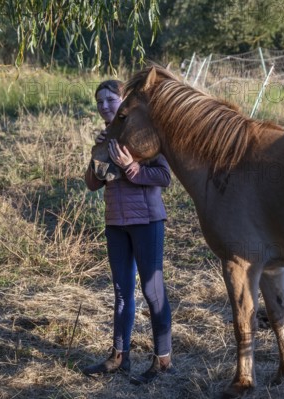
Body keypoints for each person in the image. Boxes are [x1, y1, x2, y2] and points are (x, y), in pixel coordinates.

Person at [82, 80, 175, 384]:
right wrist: (97, 155)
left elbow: (164, 176)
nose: (105, 106)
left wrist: (130, 165)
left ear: (123, 101)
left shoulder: (142, 133)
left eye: (111, 100)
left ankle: (162, 361)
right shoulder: (105, 137)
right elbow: (93, 184)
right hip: (115, 224)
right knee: (122, 292)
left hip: (147, 222)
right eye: (99, 102)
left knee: (153, 291)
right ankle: (118, 357)